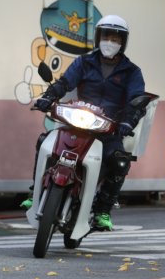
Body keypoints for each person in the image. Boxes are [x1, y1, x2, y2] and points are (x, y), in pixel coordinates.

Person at [33, 15, 145, 231]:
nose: (110, 42)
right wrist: (48, 96)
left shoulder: (132, 71)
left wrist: (128, 122)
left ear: (122, 42)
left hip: (109, 128)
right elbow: (65, 83)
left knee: (120, 161)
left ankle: (103, 210)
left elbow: (136, 101)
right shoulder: (84, 62)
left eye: (115, 38)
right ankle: (34, 191)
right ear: (98, 37)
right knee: (44, 142)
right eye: (106, 36)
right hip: (78, 122)